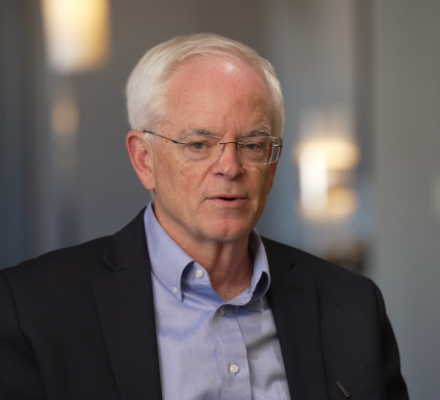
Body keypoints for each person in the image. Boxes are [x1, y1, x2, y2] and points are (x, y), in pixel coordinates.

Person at [0, 33, 408, 400]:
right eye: (199, 144)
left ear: (272, 166)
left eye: (252, 145)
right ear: (144, 159)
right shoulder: (31, 309)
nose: (230, 167)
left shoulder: (353, 305)